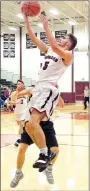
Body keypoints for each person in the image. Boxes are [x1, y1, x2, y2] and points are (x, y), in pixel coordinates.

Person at [23, 11, 77, 169]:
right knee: (28, 126)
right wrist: (26, 19)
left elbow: (54, 44)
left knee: (33, 122)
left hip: (48, 89)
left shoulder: (68, 54)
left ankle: (44, 153)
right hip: (38, 88)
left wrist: (46, 25)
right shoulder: (50, 51)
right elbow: (33, 38)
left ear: (68, 44)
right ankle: (45, 151)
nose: (61, 38)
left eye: (64, 38)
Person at [10, 88, 64, 187]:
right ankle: (18, 173)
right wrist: (15, 93)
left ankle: (48, 169)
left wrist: (56, 95)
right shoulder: (33, 89)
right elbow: (15, 95)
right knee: (21, 149)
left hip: (45, 124)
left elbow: (62, 105)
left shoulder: (53, 92)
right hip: (30, 122)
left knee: (55, 150)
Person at [9, 80, 27, 146]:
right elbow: (10, 102)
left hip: (24, 111)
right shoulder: (14, 93)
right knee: (21, 126)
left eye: (20, 84)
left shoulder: (26, 92)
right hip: (17, 112)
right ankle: (21, 138)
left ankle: (19, 139)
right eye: (17, 84)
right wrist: (16, 102)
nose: (18, 85)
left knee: (23, 124)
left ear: (23, 85)